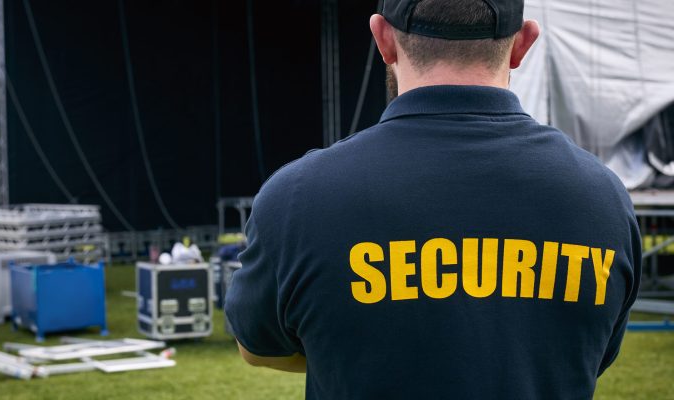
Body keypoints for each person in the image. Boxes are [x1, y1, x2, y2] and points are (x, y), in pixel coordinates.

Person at [224, 0, 641, 398]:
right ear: (523, 44)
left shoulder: (297, 197)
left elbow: (258, 347)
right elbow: (590, 352)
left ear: (382, 38)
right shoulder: (601, 198)